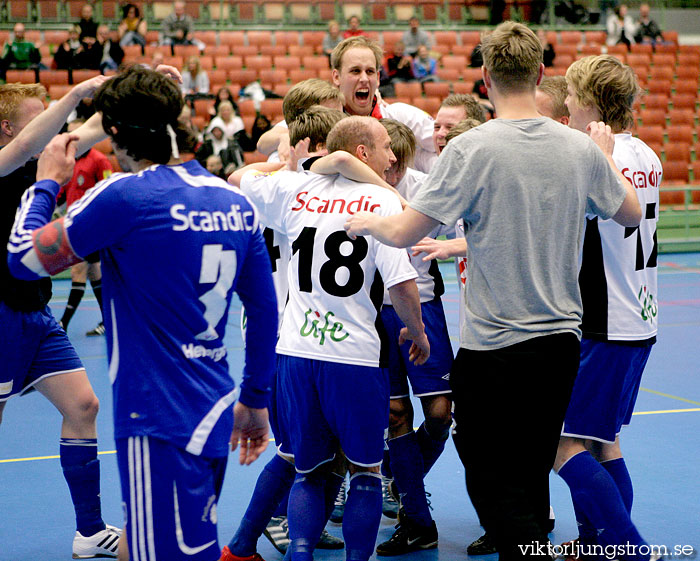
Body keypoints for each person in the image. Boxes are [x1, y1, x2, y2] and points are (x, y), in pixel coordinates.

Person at [344, 21, 642, 561]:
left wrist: (366, 223)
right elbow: (629, 211)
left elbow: (409, 230)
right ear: (541, 72)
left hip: (494, 346)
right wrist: (603, 155)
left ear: (485, 77)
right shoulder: (578, 147)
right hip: (560, 343)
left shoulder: (471, 150)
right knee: (532, 469)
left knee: (489, 476)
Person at [7, 65, 278, 561]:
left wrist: (44, 184)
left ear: (114, 134)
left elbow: (24, 260)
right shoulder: (235, 202)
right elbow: (263, 312)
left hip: (157, 419)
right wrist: (256, 401)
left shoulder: (124, 196)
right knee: (146, 544)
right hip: (214, 407)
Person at [229, 115, 429, 561]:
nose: (392, 156)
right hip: (354, 356)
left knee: (308, 472)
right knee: (364, 473)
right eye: (384, 147)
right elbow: (401, 286)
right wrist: (417, 333)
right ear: (362, 153)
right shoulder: (381, 200)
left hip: (296, 353)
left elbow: (239, 176)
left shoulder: (296, 189)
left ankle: (299, 555)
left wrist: (309, 164)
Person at [0, 77, 122, 559]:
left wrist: (131, 90)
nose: (51, 134)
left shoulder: (35, 167)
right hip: (1, 317)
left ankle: (89, 531)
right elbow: (36, 142)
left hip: (34, 314)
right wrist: (74, 94)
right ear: (7, 128)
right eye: (39, 118)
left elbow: (84, 133)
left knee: (83, 406)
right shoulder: (6, 161)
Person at [554, 54, 661, 561]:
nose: (567, 105)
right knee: (603, 442)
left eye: (572, 96)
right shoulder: (648, 154)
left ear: (592, 103)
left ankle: (629, 546)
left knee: (560, 445)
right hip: (640, 316)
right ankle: (600, 544)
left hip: (604, 321)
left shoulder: (597, 156)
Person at [373, 118, 454, 556]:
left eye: (397, 165)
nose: (390, 173)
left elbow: (465, 231)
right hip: (374, 314)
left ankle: (400, 477)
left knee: (440, 412)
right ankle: (418, 518)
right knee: (395, 414)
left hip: (424, 307)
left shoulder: (427, 186)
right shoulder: (361, 191)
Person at [56, 118, 113, 335]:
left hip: (90, 225)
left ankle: (63, 323)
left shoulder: (99, 160)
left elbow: (107, 190)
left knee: (78, 270)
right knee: (93, 273)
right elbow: (63, 192)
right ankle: (107, 321)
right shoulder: (71, 162)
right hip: (74, 224)